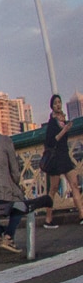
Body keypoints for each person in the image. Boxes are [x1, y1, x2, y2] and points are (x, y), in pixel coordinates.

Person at [0, 107, 50, 253]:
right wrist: (15, 185)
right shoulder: (5, 140)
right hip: (1, 194)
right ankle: (8, 237)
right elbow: (15, 173)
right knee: (20, 202)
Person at [41, 94, 83, 229]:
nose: (58, 105)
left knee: (74, 184)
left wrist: (66, 127)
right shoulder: (52, 123)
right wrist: (64, 130)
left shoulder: (63, 120)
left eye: (59, 102)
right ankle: (48, 219)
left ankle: (81, 214)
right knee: (53, 189)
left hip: (65, 156)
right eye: (55, 103)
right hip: (55, 158)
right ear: (52, 106)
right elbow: (50, 141)